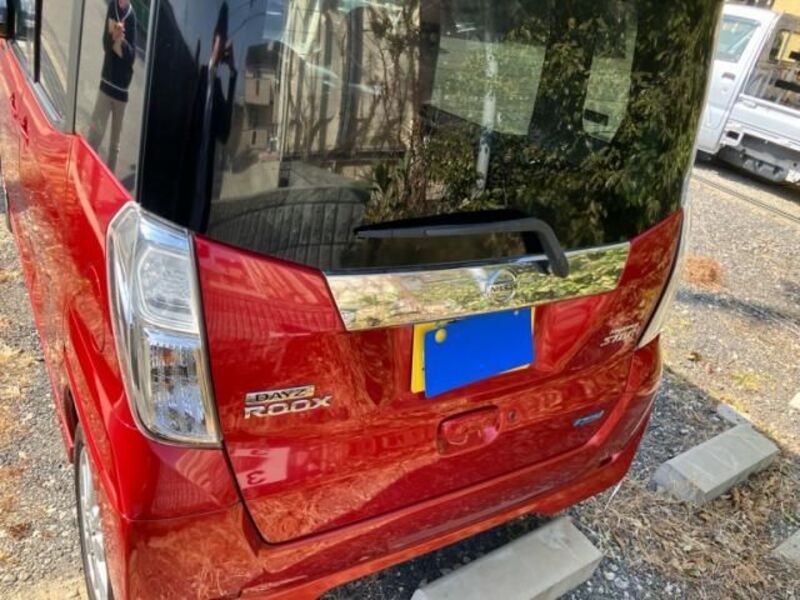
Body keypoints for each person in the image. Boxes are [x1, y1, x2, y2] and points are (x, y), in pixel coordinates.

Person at [87, 0, 137, 173]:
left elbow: (132, 56)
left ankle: (110, 180)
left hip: (122, 91)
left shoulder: (132, 16)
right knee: (94, 136)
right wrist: (113, 37)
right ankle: (87, 174)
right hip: (106, 84)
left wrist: (121, 40)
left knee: (115, 145)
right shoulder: (112, 7)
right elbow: (105, 44)